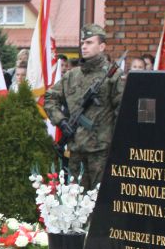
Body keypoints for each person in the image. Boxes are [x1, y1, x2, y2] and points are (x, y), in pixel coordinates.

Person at [45, 24, 125, 191]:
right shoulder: (72, 76)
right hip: (76, 148)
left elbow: (122, 111)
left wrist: (118, 145)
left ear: (102, 46)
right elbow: (50, 97)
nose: (84, 46)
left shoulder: (113, 76)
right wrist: (61, 121)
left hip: (101, 150)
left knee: (100, 198)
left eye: (89, 42)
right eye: (83, 43)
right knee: (75, 201)